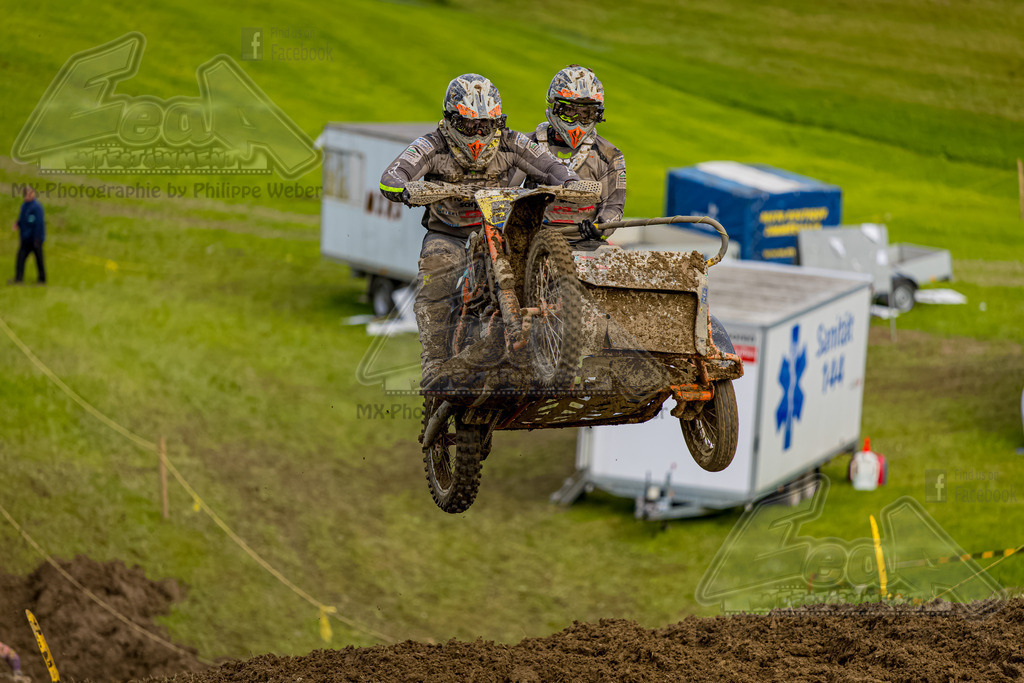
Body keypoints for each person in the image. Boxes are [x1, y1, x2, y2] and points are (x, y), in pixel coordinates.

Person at [379, 73, 581, 387]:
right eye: (468, 125)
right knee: (436, 275)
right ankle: (433, 362)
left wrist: (569, 182)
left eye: (485, 126)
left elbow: (552, 166)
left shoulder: (511, 141)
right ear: (450, 120)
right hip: (450, 232)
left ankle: (562, 337)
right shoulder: (432, 144)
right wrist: (405, 189)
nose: (477, 134)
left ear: (497, 123)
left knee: (546, 261)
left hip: (500, 230)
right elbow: (392, 176)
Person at [509, 65, 626, 240]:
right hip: (533, 242)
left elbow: (614, 205)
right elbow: (504, 192)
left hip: (585, 242)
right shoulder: (525, 144)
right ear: (555, 107)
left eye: (586, 113)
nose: (577, 119)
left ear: (597, 114)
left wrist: (600, 227)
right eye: (570, 111)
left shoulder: (610, 155)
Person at [9, 186, 46, 285]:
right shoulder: (24, 206)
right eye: (28, 194)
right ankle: (18, 279)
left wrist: (37, 238)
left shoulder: (37, 207)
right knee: (20, 258)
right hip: (26, 238)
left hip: (35, 238)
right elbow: (23, 218)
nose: (30, 196)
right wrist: (18, 224)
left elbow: (39, 223)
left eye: (31, 193)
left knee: (39, 259)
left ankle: (42, 280)